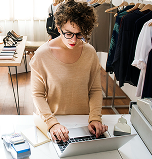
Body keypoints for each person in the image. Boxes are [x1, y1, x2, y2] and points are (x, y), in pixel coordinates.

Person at [30, 0, 108, 143]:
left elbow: (95, 89)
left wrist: (95, 118)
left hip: (84, 124)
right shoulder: (41, 55)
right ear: (59, 28)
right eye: (69, 33)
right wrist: (52, 123)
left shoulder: (90, 53)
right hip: (54, 123)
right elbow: (37, 94)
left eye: (79, 34)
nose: (74, 40)